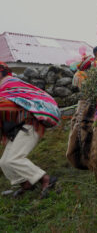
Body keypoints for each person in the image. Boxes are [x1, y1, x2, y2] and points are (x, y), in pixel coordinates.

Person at [0, 62, 60, 198]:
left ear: (2, 72)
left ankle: (46, 179)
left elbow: (8, 104)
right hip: (15, 130)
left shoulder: (9, 83)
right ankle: (26, 184)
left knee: (14, 159)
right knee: (4, 162)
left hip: (29, 125)